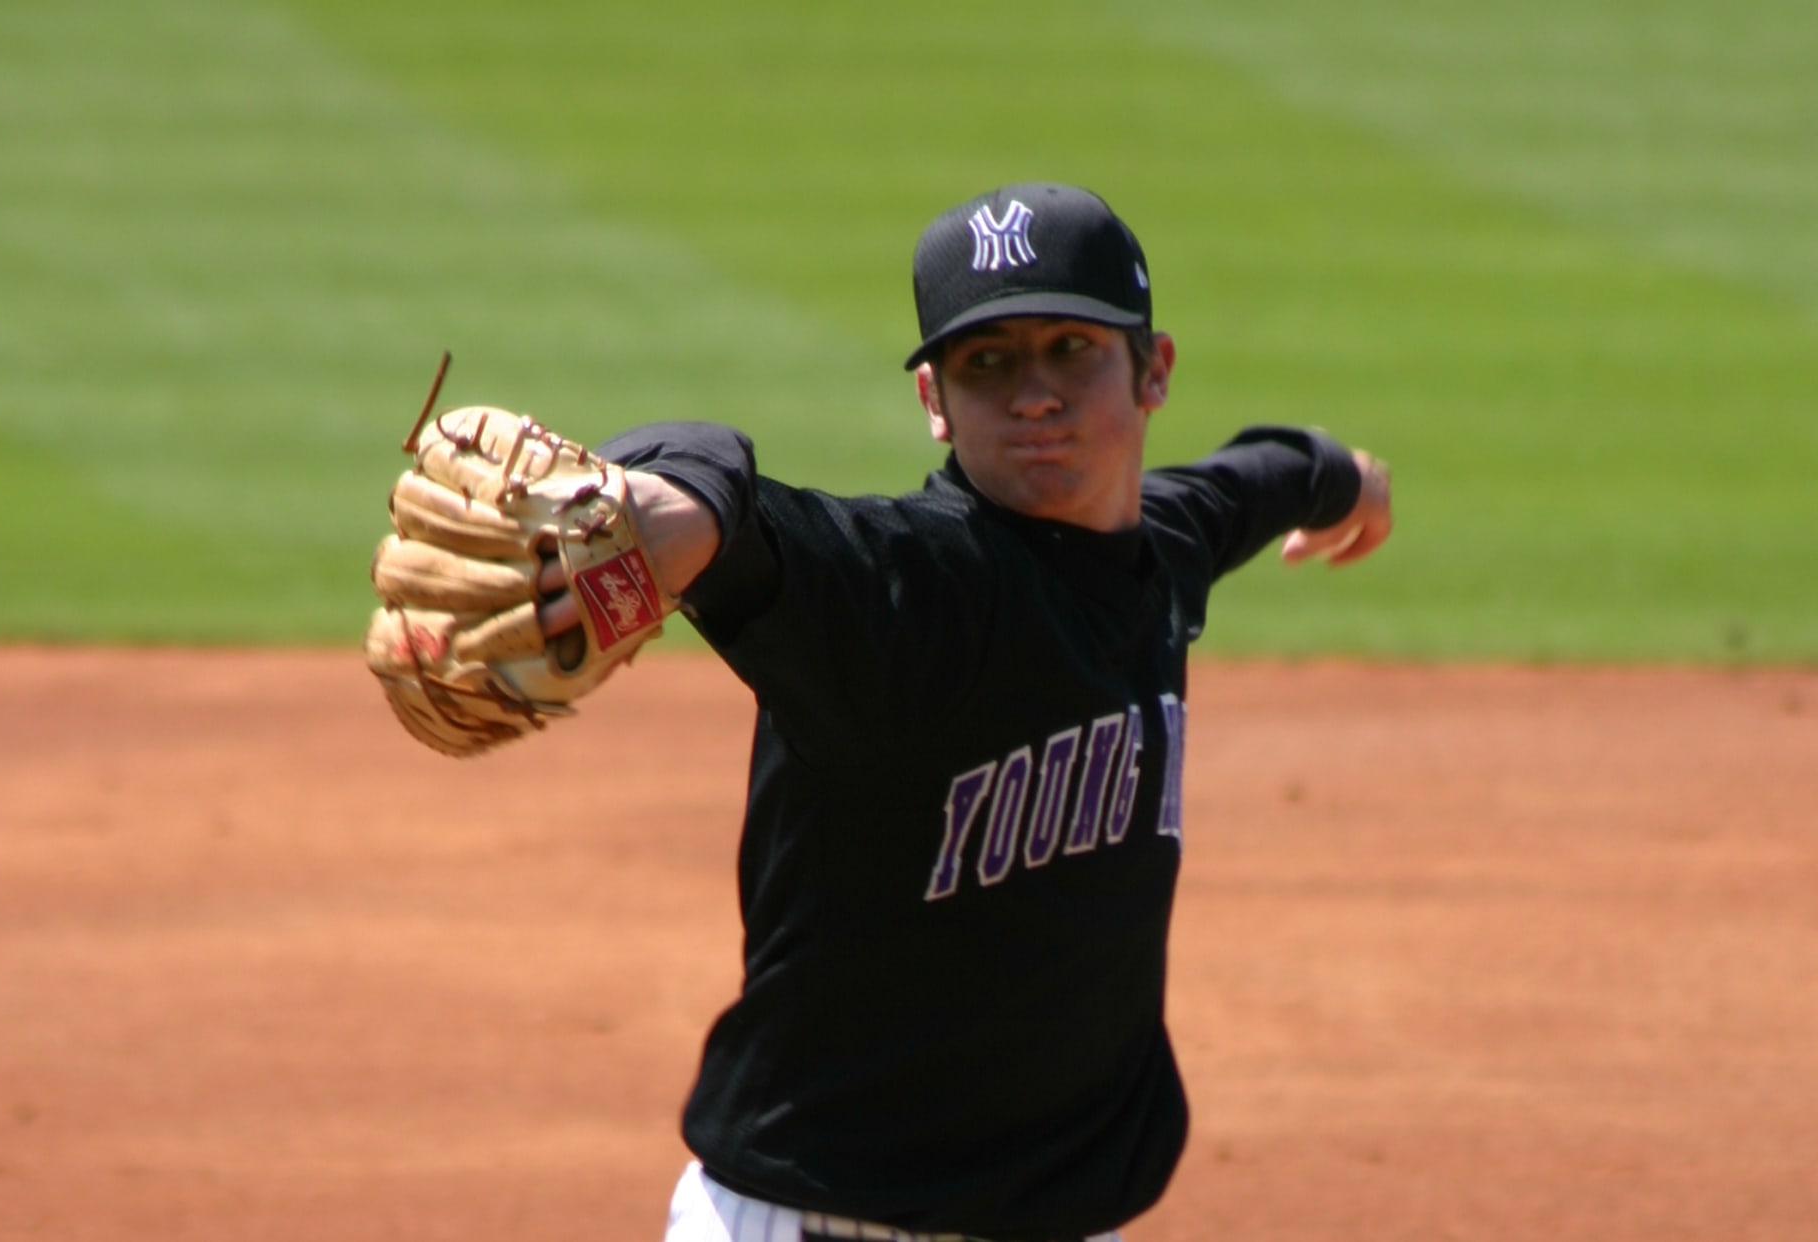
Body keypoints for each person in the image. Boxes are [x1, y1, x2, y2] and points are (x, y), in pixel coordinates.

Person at [545, 183, 1392, 1242]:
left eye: (1069, 348)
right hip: (812, 1222)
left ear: (1153, 369)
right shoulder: (901, 589)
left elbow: (1246, 486)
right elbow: (747, 509)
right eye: (986, 363)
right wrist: (675, 501)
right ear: (934, 400)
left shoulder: (1156, 552)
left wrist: (1344, 479)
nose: (1033, 394)